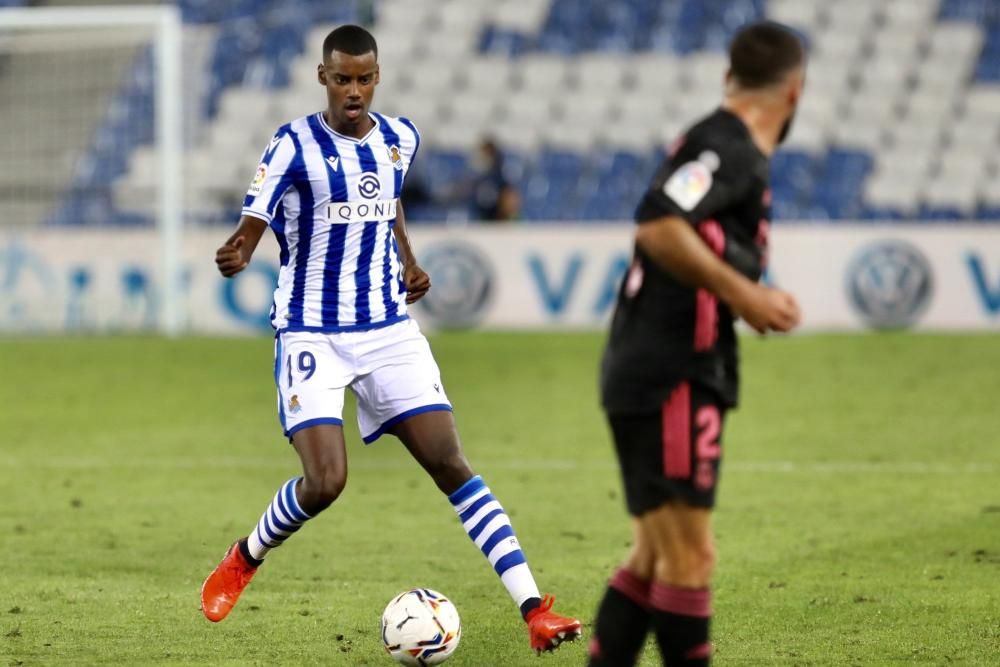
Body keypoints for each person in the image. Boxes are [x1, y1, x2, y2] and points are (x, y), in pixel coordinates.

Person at [200, 24, 581, 655]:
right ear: (323, 77)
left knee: (451, 464)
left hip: (387, 329)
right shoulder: (293, 143)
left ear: (378, 77)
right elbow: (256, 215)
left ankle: (534, 609)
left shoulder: (401, 138)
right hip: (312, 332)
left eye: (365, 78)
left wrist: (407, 257)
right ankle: (244, 557)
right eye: (343, 78)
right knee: (325, 482)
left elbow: (389, 199)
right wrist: (240, 247)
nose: (354, 89)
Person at [589, 22, 805, 666]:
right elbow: (658, 221)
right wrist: (745, 294)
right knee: (691, 557)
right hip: (673, 372)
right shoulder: (726, 147)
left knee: (654, 556)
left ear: (728, 77)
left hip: (646, 367)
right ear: (796, 90)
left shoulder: (721, 146)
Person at [469, 138, 520, 221]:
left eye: (486, 155)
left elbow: (510, 201)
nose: (483, 158)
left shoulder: (499, 178)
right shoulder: (475, 179)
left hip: (497, 223)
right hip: (479, 222)